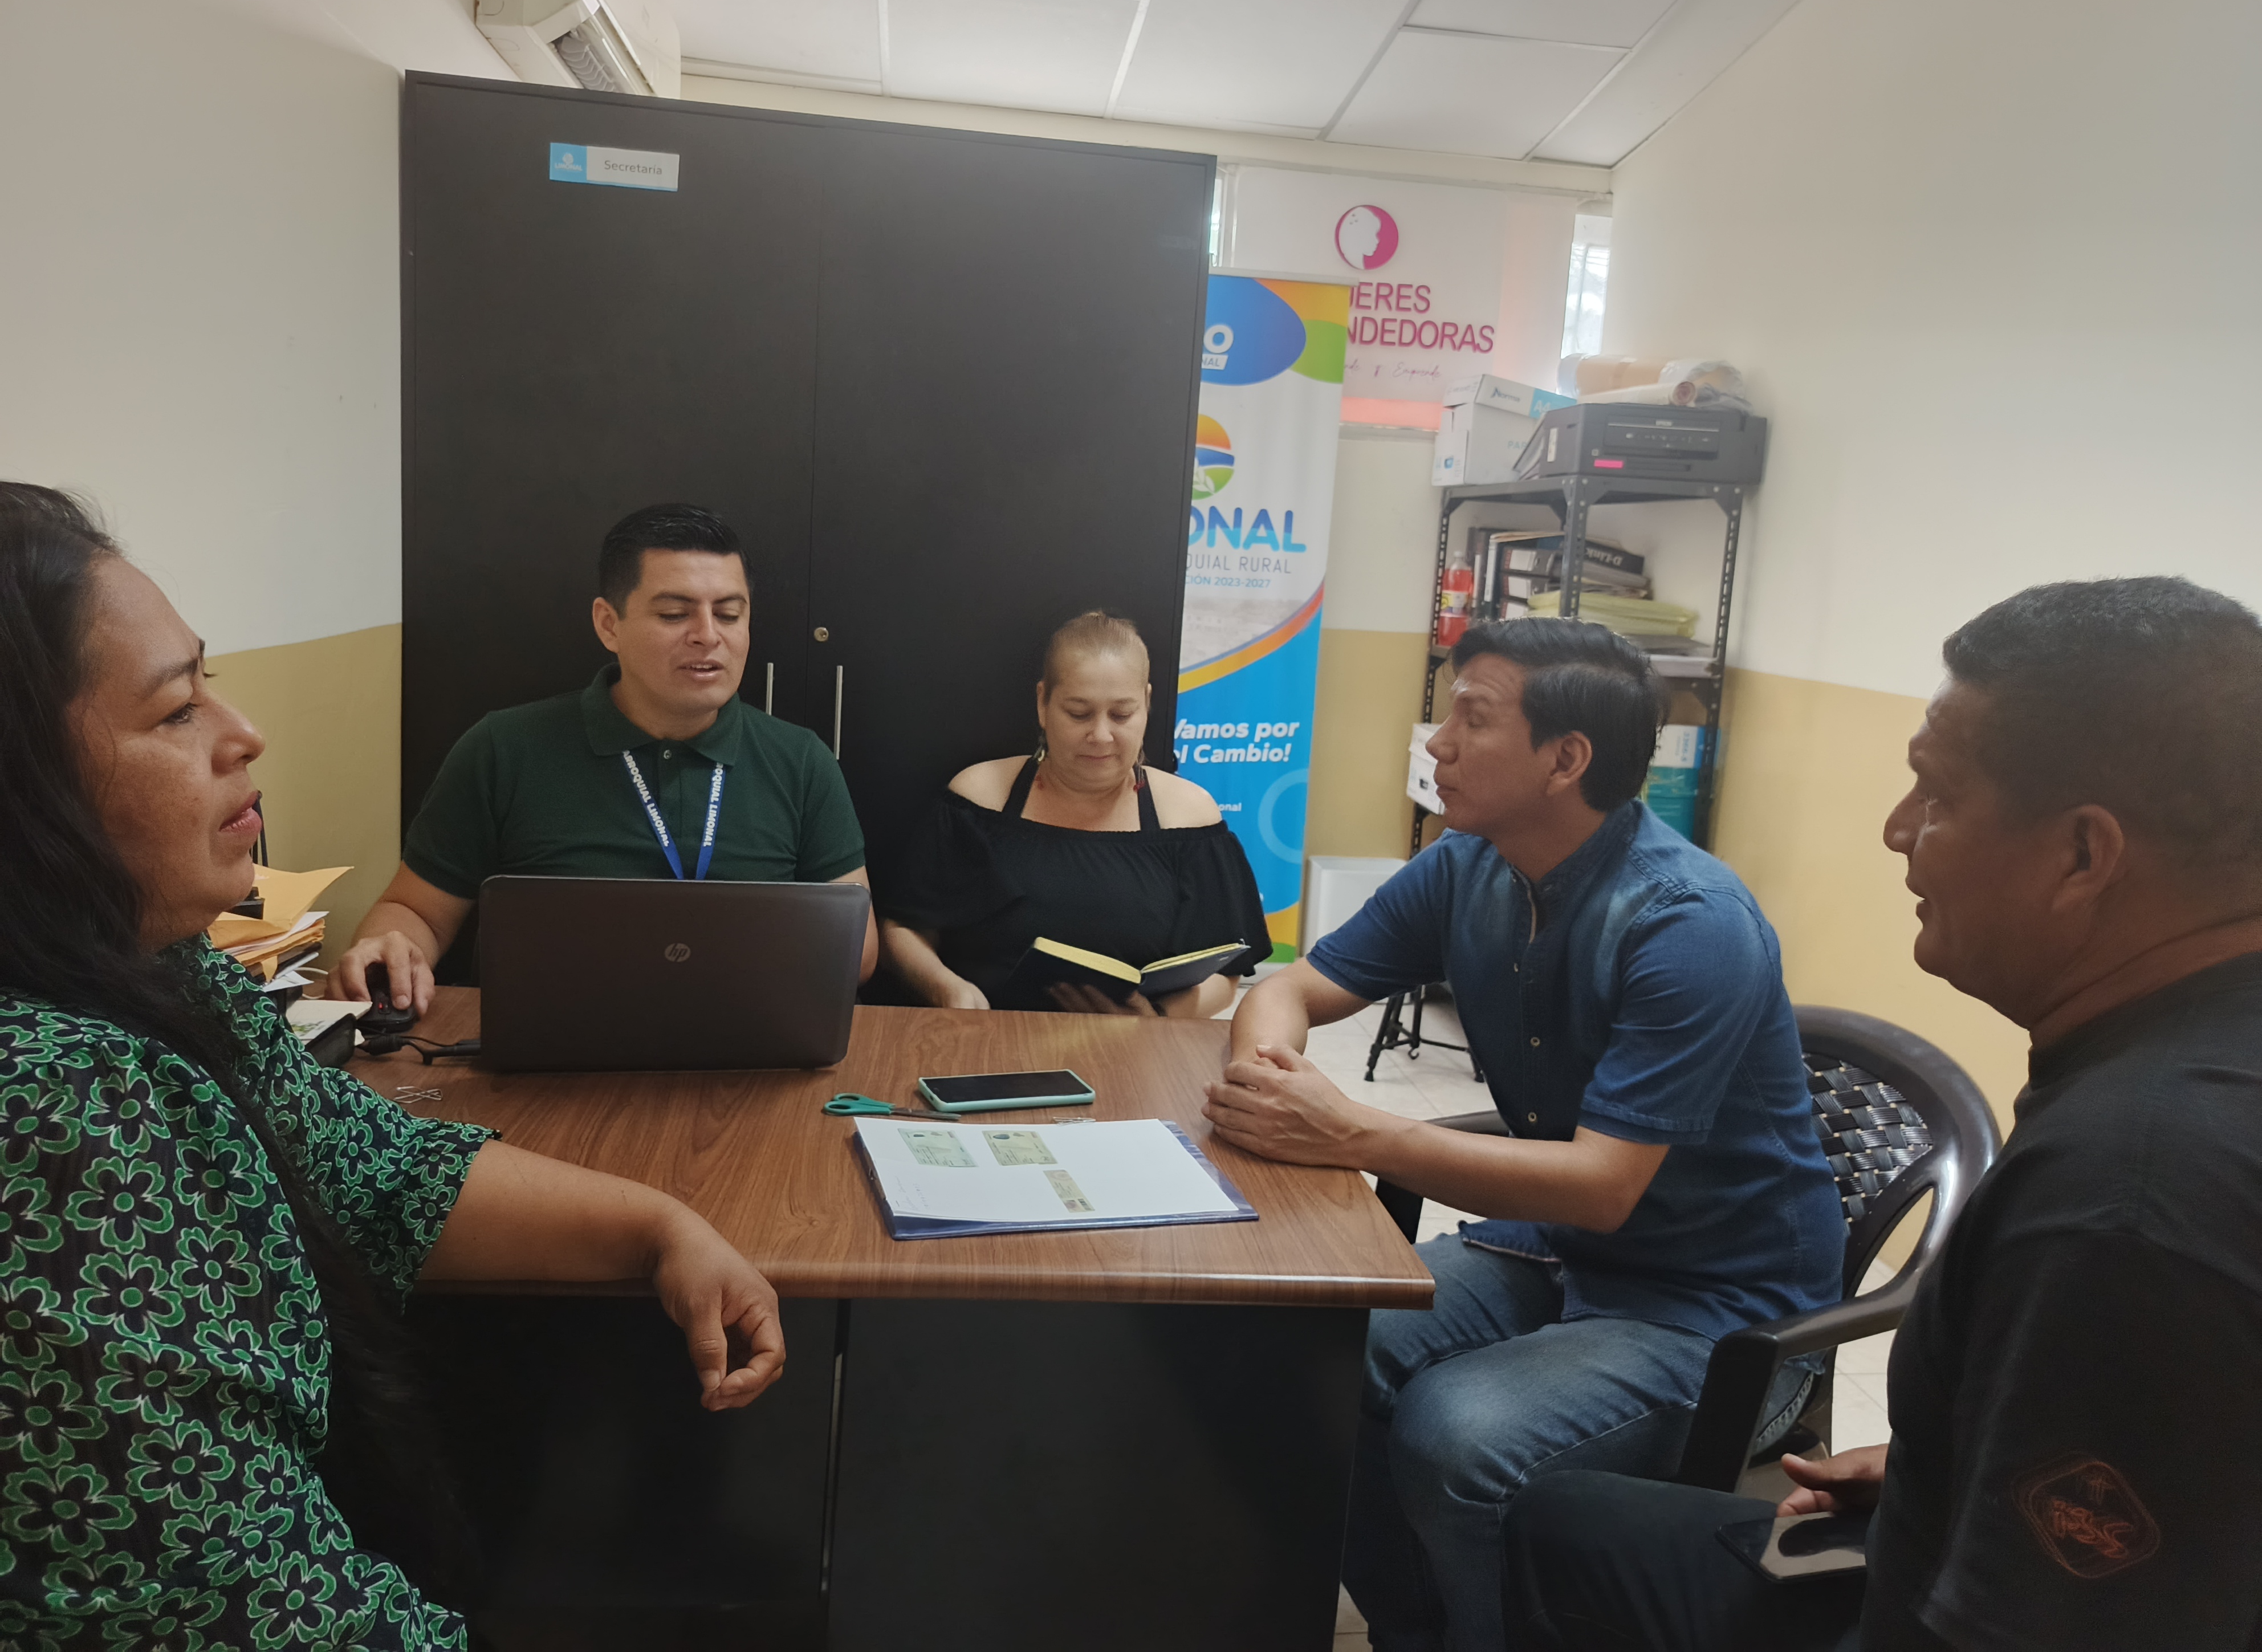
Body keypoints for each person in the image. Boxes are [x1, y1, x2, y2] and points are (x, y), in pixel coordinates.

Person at [0, 485, 791, 1647]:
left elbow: (369, 1163)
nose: (243, 733)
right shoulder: (51, 1103)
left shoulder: (167, 962)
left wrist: (658, 1226)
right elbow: (233, 1603)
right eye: (175, 711)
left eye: (210, 681)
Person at [1497, 577, 2262, 1652]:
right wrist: (1943, 1467)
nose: (1899, 830)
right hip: (1959, 1526)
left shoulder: (2119, 1208)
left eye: (1935, 795)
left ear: (2083, 856)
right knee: (1570, 1522)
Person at [1205, 618, 1844, 1652]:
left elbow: (1601, 1186)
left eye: (1472, 718)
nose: (1438, 743)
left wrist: (1351, 1133)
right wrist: (1268, 1074)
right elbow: (1294, 987)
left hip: (1715, 1312)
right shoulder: (1468, 864)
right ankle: (1421, 1629)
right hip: (1553, 1251)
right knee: (1300, 1354)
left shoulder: (1688, 922)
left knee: (1455, 1432)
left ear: (1565, 759)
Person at [331, 504, 874, 1016]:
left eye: (729, 614)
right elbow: (416, 911)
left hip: (751, 1036)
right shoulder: (504, 747)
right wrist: (390, 947)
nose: (708, 636)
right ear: (609, 624)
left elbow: (859, 946)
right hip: (551, 1042)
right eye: (675, 614)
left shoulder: (800, 760)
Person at [878, 610, 1270, 1016]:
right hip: (986, 1036)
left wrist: (1159, 1017)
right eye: (1079, 713)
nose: (1100, 735)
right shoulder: (980, 798)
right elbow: (903, 929)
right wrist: (948, 990)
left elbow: (1225, 973)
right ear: (1043, 703)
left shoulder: (1190, 815)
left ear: (1147, 704)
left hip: (1134, 1044)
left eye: (1122, 714)